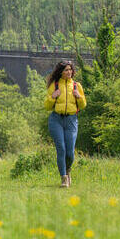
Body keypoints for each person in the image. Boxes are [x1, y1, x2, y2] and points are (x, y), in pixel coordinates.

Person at [44, 60, 86, 188]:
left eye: (70, 70)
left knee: (70, 152)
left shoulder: (76, 85)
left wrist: (79, 96)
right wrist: (53, 97)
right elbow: (47, 106)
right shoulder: (54, 85)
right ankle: (63, 178)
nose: (69, 72)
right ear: (61, 72)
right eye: (66, 70)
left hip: (71, 120)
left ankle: (68, 171)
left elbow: (83, 105)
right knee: (61, 149)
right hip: (56, 120)